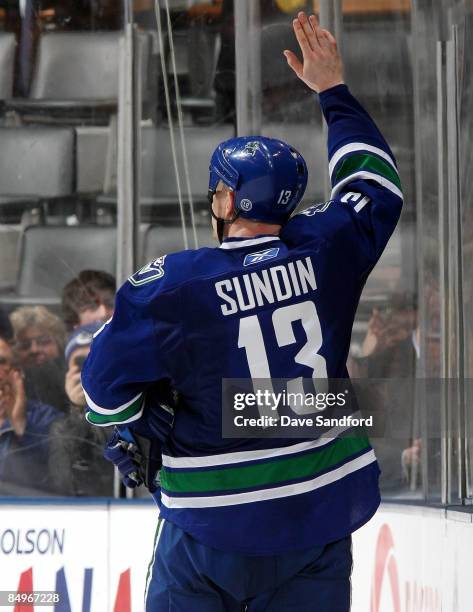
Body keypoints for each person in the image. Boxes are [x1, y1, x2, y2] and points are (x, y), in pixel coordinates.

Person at [82, 12, 402, 611]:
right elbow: (376, 184)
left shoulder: (174, 286)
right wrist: (333, 91)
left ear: (227, 199)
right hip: (321, 511)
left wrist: (155, 422)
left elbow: (103, 396)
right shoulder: (328, 246)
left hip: (214, 523)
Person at [48, 322, 114, 496]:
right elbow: (63, 482)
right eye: (79, 364)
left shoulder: (134, 415)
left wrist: (103, 400)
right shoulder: (61, 428)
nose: (87, 372)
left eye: (94, 361)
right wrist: (78, 409)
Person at [0, 336, 60, 494]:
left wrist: (22, 427)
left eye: (1, 361)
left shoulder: (46, 418)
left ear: (16, 372)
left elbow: (45, 483)